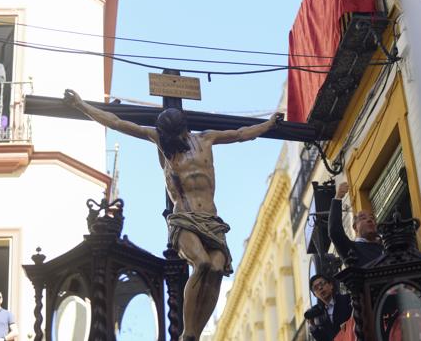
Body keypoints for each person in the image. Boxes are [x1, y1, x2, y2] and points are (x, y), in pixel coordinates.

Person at [64, 89, 281, 341]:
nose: (170, 140)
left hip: (212, 220)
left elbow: (242, 134)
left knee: (217, 269)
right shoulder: (160, 141)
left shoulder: (207, 139)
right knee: (201, 264)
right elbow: (118, 123)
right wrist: (82, 106)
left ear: (183, 129)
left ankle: (195, 334)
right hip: (183, 219)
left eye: (173, 135)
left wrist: (269, 124)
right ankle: (188, 332)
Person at [328, 182, 383, 267]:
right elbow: (335, 232)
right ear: (355, 227)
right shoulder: (352, 249)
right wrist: (338, 198)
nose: (369, 220)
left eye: (372, 218)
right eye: (363, 218)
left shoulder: (385, 245)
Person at [305, 274, 352, 341]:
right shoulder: (320, 315)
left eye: (322, 284)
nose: (320, 288)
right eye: (316, 288)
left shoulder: (347, 300)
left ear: (331, 285)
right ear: (315, 295)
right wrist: (312, 325)